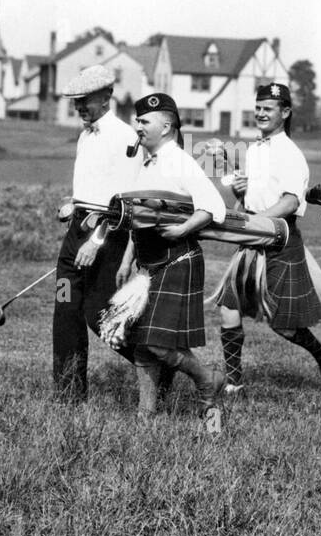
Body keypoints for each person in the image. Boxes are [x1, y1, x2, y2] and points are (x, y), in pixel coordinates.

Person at [213, 82, 321, 399]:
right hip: (253, 235)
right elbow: (248, 199)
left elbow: (288, 202)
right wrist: (239, 194)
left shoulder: (290, 153)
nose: (260, 114)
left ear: (285, 112)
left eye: (267, 109)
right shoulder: (254, 149)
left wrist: (254, 223)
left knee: (282, 323)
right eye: (257, 108)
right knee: (229, 308)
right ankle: (234, 382)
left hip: (280, 238)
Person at [123, 93, 227, 417]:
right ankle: (146, 414)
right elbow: (137, 216)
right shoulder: (146, 163)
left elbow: (214, 207)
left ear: (166, 126)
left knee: (159, 345)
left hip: (178, 259)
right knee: (142, 344)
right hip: (149, 263)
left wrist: (183, 230)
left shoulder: (179, 161)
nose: (137, 126)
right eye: (137, 120)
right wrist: (128, 259)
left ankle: (207, 379)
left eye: (144, 121)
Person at [52, 64, 146, 401]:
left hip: (106, 236)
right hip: (76, 231)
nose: (79, 107)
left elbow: (123, 202)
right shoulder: (85, 133)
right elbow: (92, 186)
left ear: (106, 97)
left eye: (85, 101)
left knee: (99, 315)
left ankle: (156, 367)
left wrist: (95, 241)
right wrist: (72, 204)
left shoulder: (125, 138)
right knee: (65, 308)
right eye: (76, 101)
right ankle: (68, 394)